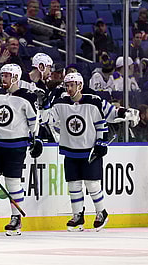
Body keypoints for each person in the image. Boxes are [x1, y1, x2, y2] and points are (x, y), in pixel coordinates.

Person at [0, 64, 42, 236]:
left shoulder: (27, 96)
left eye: (6, 76)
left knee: (12, 182)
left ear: (15, 77)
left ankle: (15, 218)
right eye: (2, 75)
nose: (3, 79)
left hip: (17, 145)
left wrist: (36, 139)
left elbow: (33, 121)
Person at [45, 72, 110, 231]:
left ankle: (101, 212)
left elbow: (101, 124)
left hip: (89, 151)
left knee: (92, 184)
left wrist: (101, 142)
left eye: (72, 85)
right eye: (67, 85)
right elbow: (48, 120)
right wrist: (46, 104)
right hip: (70, 151)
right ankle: (78, 216)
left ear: (80, 86)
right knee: (73, 184)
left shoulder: (92, 103)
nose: (69, 88)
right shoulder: (61, 103)